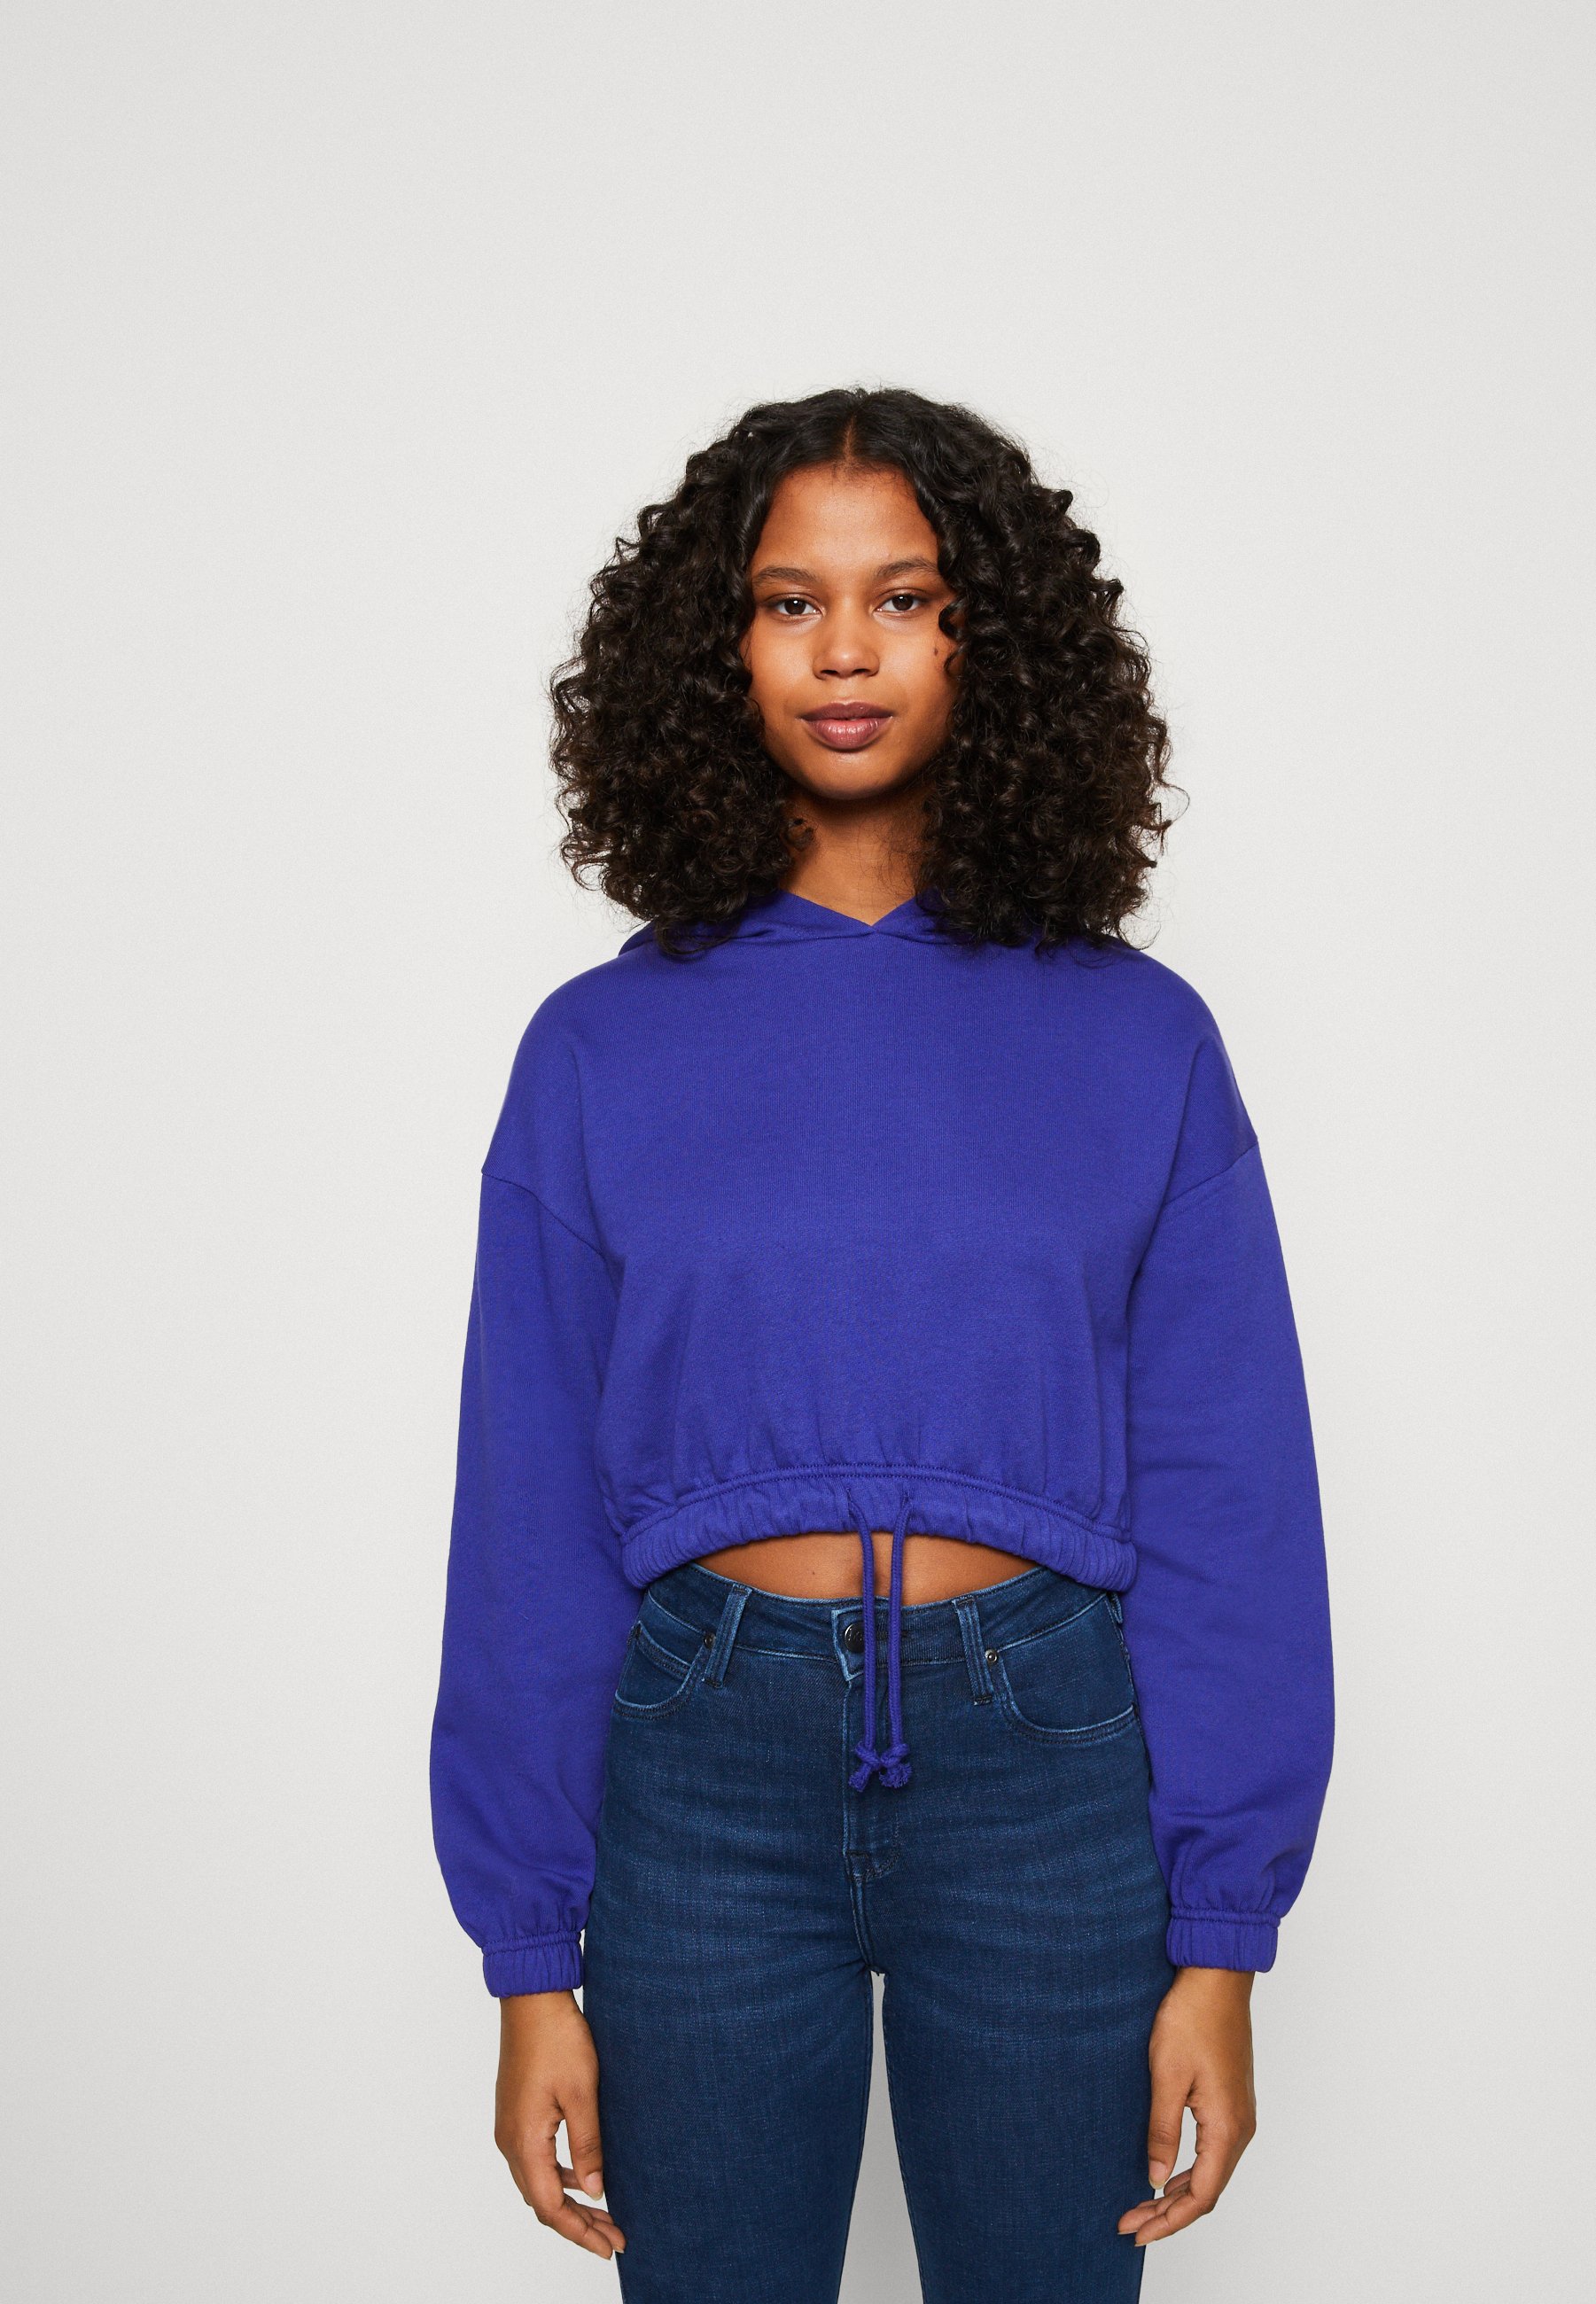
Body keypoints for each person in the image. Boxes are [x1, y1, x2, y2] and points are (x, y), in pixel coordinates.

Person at [429, 386, 1334, 2303]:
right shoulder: (596, 1047)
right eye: (790, 602)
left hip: (1045, 1767)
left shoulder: (1138, 1037)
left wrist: (1222, 1935)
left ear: (987, 640)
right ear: (717, 648)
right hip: (699, 1772)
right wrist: (526, 1961)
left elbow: (1227, 1491)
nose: (844, 649)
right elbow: (525, 1515)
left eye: (903, 597)